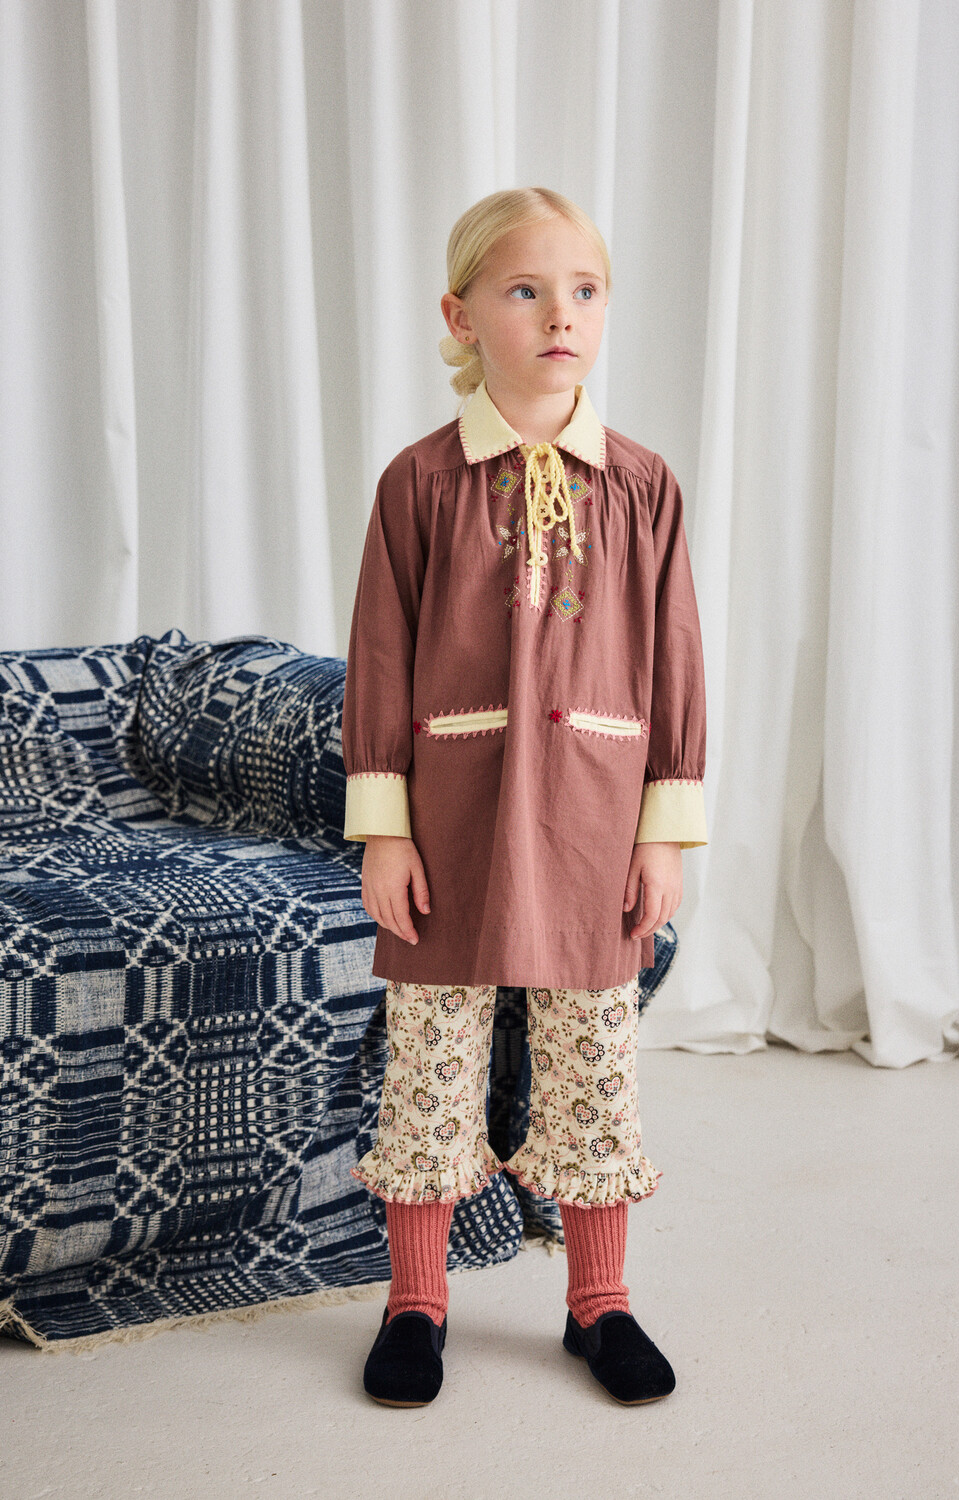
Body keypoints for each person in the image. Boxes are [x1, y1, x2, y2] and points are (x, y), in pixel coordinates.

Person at [341, 187, 707, 1407]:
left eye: (584, 291)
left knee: (594, 1066)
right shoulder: (419, 483)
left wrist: (663, 832)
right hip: (450, 824)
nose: (561, 315)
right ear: (459, 316)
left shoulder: (642, 486)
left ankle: (598, 1302)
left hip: (595, 825)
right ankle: (415, 1300)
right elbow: (380, 657)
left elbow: (674, 659)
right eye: (526, 290)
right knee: (429, 1069)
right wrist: (384, 830)